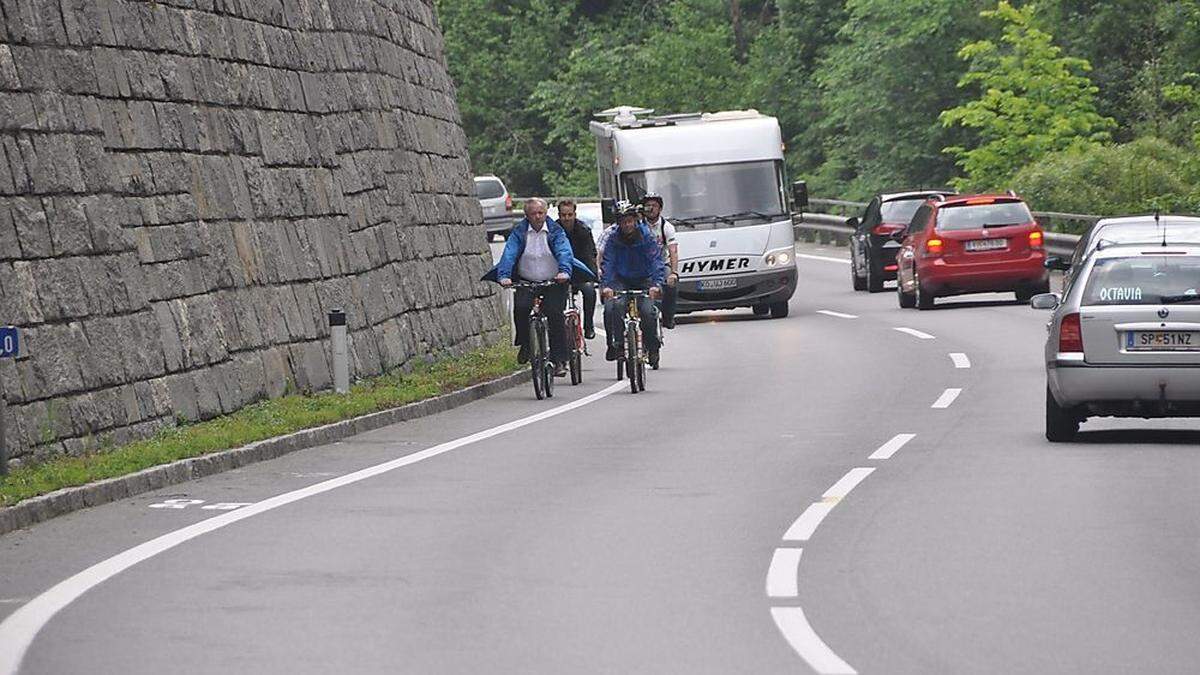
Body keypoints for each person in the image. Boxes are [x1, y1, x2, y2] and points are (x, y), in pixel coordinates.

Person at [493, 198, 573, 376]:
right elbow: (510, 253)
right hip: (527, 280)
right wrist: (504, 275)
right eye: (533, 214)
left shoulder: (555, 231)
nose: (538, 217)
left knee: (554, 314)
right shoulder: (519, 232)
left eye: (541, 213)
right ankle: (525, 345)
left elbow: (564, 251)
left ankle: (559, 359)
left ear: (545, 213)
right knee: (521, 309)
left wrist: (564, 271)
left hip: (553, 281)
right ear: (526, 215)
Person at [601, 201, 664, 367]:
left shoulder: (647, 236)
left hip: (645, 279)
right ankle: (619, 345)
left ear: (635, 220)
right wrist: (606, 286)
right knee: (613, 307)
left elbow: (656, 261)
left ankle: (652, 346)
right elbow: (608, 263)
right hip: (621, 280)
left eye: (629, 221)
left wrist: (656, 284)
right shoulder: (613, 239)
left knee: (647, 311)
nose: (626, 225)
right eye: (622, 222)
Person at [556, 200, 598, 339]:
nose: (566, 218)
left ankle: (589, 326)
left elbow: (590, 254)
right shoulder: (553, 230)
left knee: (589, 290)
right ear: (559, 215)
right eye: (563, 215)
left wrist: (592, 275)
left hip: (580, 271)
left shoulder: (584, 231)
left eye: (569, 215)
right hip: (558, 272)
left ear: (575, 214)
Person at [641, 192, 680, 328]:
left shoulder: (666, 227)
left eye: (654, 205)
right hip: (641, 265)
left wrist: (674, 273)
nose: (651, 208)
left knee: (670, 285)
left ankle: (668, 317)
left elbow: (673, 251)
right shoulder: (638, 226)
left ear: (660, 208)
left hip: (661, 264)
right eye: (647, 206)